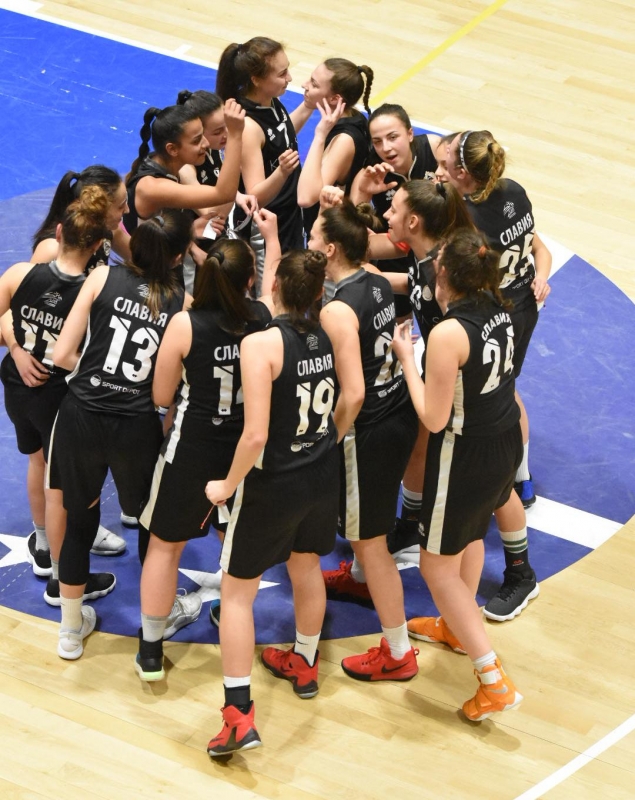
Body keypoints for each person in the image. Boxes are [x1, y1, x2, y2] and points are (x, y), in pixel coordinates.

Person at [203, 249, 339, 757]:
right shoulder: (329, 331)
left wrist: (226, 484)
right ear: (319, 292)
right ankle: (304, 660)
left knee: (237, 595)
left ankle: (238, 716)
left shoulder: (260, 344)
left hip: (273, 482)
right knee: (307, 566)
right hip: (321, 471)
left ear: (275, 285)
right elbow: (351, 394)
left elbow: (255, 434)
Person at [134, 214, 277, 681]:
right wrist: (271, 238)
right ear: (249, 279)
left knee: (164, 547)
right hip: (244, 455)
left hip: (192, 449)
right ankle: (233, 617)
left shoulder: (185, 324)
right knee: (235, 549)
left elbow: (160, 396)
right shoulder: (262, 320)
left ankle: (150, 651)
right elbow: (271, 289)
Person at [391, 228, 524, 721]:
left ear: (444, 273)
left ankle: (493, 681)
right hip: (505, 439)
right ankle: (455, 624)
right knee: (469, 536)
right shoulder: (499, 305)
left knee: (435, 567)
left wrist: (408, 361)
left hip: (468, 455)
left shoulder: (448, 333)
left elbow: (433, 418)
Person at [50, 209, 192, 660]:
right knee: (150, 524)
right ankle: (154, 626)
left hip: (81, 417)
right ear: (178, 257)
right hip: (136, 425)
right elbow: (168, 387)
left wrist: (96, 377)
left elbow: (62, 355)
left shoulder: (100, 278)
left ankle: (70, 631)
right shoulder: (181, 303)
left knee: (79, 522)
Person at [310, 199, 419, 683]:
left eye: (314, 236)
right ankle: (357, 579)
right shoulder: (375, 279)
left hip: (367, 429)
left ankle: (398, 651)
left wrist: (329, 442)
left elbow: (352, 393)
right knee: (367, 524)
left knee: (369, 540)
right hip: (397, 412)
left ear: (331, 249)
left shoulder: (337, 308)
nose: (309, 241)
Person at [443, 129, 550, 620]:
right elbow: (538, 246)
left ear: (464, 173)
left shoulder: (466, 221)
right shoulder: (513, 191)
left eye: (446, 163)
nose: (440, 169)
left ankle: (514, 492)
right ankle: (521, 476)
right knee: (510, 393)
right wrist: (540, 274)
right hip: (522, 303)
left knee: (496, 404)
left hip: (499, 314)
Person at [0, 186, 122, 597]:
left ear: (57, 232)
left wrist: (18, 349)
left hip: (17, 386)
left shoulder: (18, 274)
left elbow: (4, 321)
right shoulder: (93, 295)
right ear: (98, 246)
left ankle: (41, 544)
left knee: (36, 461)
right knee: (59, 487)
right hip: (58, 398)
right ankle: (60, 576)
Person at [368, 179, 474, 556]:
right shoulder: (425, 255)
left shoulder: (444, 271)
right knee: (420, 441)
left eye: (393, 209)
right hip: (445, 366)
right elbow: (412, 284)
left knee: (479, 479)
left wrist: (409, 361)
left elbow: (468, 327)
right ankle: (411, 521)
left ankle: (518, 567)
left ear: (413, 222)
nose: (386, 214)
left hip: (462, 381)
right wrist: (365, 279)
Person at [216, 37, 314, 267]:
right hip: (268, 228)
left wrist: (308, 106)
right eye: (282, 74)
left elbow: (280, 135)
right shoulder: (248, 127)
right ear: (256, 79)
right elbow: (255, 196)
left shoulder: (270, 101)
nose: (289, 78)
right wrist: (282, 172)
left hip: (289, 215)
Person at [350, 103, 439, 319]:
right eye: (377, 141)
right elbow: (350, 228)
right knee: (401, 323)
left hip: (437, 251)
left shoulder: (433, 148)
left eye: (392, 137)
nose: (386, 148)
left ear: (410, 134)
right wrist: (364, 192)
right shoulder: (370, 173)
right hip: (395, 253)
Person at [297, 59, 373, 234]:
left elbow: (305, 198)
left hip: (328, 234)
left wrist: (320, 136)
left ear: (335, 99)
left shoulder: (343, 141)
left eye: (314, 84)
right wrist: (311, 100)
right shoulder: (354, 116)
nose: (304, 85)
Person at [175, 89, 258, 243]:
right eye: (217, 132)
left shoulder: (212, 148)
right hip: (193, 244)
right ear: (198, 132)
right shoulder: (185, 169)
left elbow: (218, 178)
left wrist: (239, 196)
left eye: (227, 126)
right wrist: (235, 138)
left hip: (215, 235)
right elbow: (212, 214)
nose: (225, 134)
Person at [31, 165, 131, 268]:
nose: (127, 210)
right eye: (120, 206)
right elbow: (28, 278)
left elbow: (139, 258)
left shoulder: (109, 228)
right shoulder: (51, 249)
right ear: (100, 208)